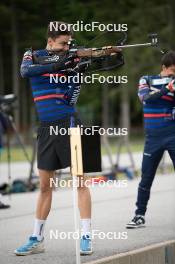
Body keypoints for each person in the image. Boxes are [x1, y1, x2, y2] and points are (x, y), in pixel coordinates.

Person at [14, 21, 93, 256]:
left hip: (71, 124)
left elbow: (70, 100)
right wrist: (60, 63)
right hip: (46, 127)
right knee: (45, 186)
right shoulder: (33, 56)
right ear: (50, 41)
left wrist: (78, 74)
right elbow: (25, 72)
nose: (66, 47)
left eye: (68, 43)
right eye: (62, 43)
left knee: (80, 182)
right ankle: (36, 238)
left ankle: (86, 235)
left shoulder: (70, 61)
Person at [126, 51, 175, 229]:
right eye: (171, 72)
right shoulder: (145, 79)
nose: (173, 76)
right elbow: (145, 99)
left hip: (172, 134)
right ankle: (139, 215)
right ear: (163, 68)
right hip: (153, 138)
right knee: (146, 177)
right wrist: (167, 88)